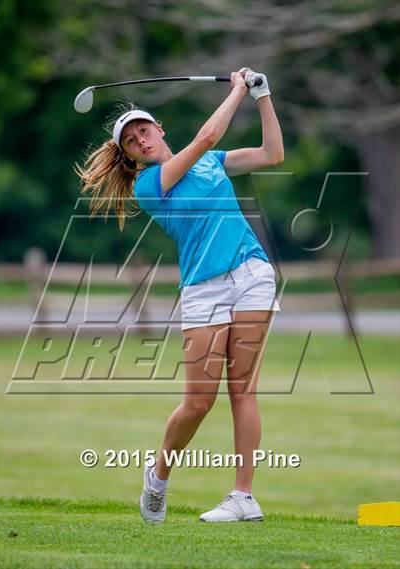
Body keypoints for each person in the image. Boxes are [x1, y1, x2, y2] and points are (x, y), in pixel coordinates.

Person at [76, 68, 284, 523]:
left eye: (144, 130)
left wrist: (263, 96)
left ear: (159, 129)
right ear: (130, 158)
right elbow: (207, 136)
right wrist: (237, 91)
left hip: (252, 274)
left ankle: (243, 497)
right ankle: (158, 476)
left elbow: (272, 154)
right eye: (131, 141)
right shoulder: (150, 185)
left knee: (243, 389)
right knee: (199, 402)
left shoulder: (213, 162)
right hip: (203, 289)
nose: (141, 141)